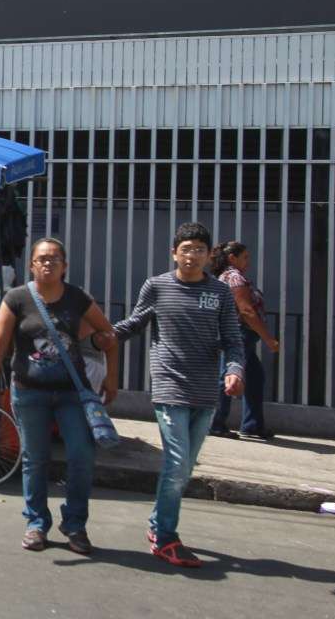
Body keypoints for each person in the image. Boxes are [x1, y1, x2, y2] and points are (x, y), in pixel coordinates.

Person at [98, 222, 245, 568]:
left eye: (199, 249)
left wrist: (234, 370)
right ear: (173, 253)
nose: (192, 255)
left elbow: (233, 341)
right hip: (169, 385)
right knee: (177, 464)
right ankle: (164, 535)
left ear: (210, 256)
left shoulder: (220, 294)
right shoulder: (157, 286)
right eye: (186, 248)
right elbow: (134, 323)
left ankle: (157, 526)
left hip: (206, 392)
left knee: (185, 468)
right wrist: (103, 336)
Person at [0, 238, 119, 555]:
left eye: (55, 259)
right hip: (29, 393)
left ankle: (75, 524)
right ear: (31, 265)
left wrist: (111, 379)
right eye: (42, 258)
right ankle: (36, 524)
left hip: (72, 394)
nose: (48, 263)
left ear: (65, 266)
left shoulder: (77, 298)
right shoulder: (16, 298)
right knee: (35, 459)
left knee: (82, 457)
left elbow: (109, 336)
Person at [208, 241, 281, 440]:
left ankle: (252, 425)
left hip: (241, 333)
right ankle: (216, 423)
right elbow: (247, 311)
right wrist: (268, 339)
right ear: (232, 257)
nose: (248, 261)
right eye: (245, 257)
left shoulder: (228, 276)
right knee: (229, 376)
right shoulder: (234, 277)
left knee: (255, 376)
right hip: (240, 333)